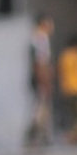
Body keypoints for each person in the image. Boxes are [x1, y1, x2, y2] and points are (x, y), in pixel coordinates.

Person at [29, 15, 55, 145]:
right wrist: (44, 81)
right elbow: (40, 62)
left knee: (42, 108)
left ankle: (42, 138)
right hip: (40, 79)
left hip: (39, 78)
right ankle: (34, 137)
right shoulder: (40, 38)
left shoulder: (37, 37)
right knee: (40, 108)